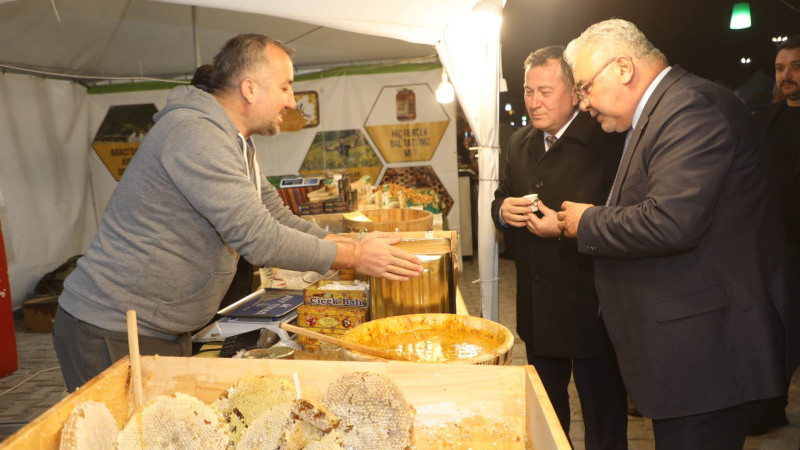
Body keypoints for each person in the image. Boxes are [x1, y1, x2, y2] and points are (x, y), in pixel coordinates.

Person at [52, 34, 423, 392]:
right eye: (284, 87)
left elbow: (274, 215)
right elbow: (257, 238)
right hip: (113, 326)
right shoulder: (196, 133)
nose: (291, 102)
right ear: (249, 88)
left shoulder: (236, 141)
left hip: (161, 325)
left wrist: (346, 242)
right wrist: (354, 256)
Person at [553, 19, 800, 448]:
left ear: (624, 68)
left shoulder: (691, 107)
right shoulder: (660, 111)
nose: (583, 104)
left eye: (585, 88)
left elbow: (671, 220)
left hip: (709, 355)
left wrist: (588, 222)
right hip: (689, 352)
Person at [491, 46, 627, 449]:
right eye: (528, 91)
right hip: (538, 309)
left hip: (591, 308)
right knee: (546, 421)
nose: (534, 102)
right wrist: (503, 211)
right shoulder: (518, 143)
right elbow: (501, 195)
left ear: (574, 92)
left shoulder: (606, 142)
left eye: (545, 91)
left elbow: (622, 218)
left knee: (603, 422)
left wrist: (566, 228)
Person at [749, 35, 800, 436]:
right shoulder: (765, 120)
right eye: (781, 68)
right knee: (774, 327)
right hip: (772, 245)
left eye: (795, 66)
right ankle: (771, 404)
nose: (787, 75)